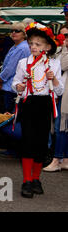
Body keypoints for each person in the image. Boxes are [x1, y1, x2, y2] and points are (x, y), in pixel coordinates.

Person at [12, 22, 64, 198]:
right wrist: (18, 86)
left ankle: (36, 179)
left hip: (45, 104)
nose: (33, 47)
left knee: (41, 143)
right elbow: (15, 83)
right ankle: (26, 180)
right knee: (27, 141)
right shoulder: (23, 62)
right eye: (31, 43)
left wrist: (54, 80)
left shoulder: (54, 64)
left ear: (47, 47)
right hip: (28, 103)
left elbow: (60, 91)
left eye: (38, 44)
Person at [0, 21, 30, 158]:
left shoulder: (22, 48)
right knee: (11, 117)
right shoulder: (16, 46)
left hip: (13, 88)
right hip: (11, 86)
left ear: (24, 34)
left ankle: (14, 149)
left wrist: (0, 79)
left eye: (17, 31)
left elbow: (10, 68)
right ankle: (12, 148)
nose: (13, 33)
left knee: (11, 118)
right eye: (12, 31)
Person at [44, 24, 68, 171]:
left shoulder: (65, 50)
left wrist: (65, 48)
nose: (64, 39)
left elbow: (62, 65)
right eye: (62, 36)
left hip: (64, 93)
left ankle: (57, 159)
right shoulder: (60, 50)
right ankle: (64, 158)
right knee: (63, 126)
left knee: (61, 126)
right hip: (61, 91)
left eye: (66, 36)